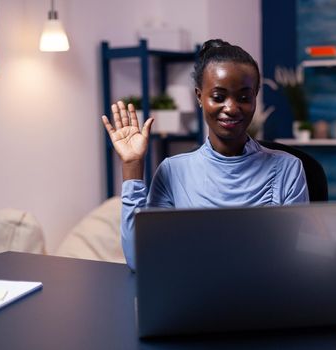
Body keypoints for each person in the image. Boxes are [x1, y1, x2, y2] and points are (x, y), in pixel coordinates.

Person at [102, 39, 309, 271]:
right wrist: (132, 165)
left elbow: (296, 261)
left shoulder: (288, 168)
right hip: (192, 300)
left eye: (243, 97)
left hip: (265, 300)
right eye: (219, 97)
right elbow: (139, 260)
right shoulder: (173, 171)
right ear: (199, 97)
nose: (231, 108)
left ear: (255, 97)